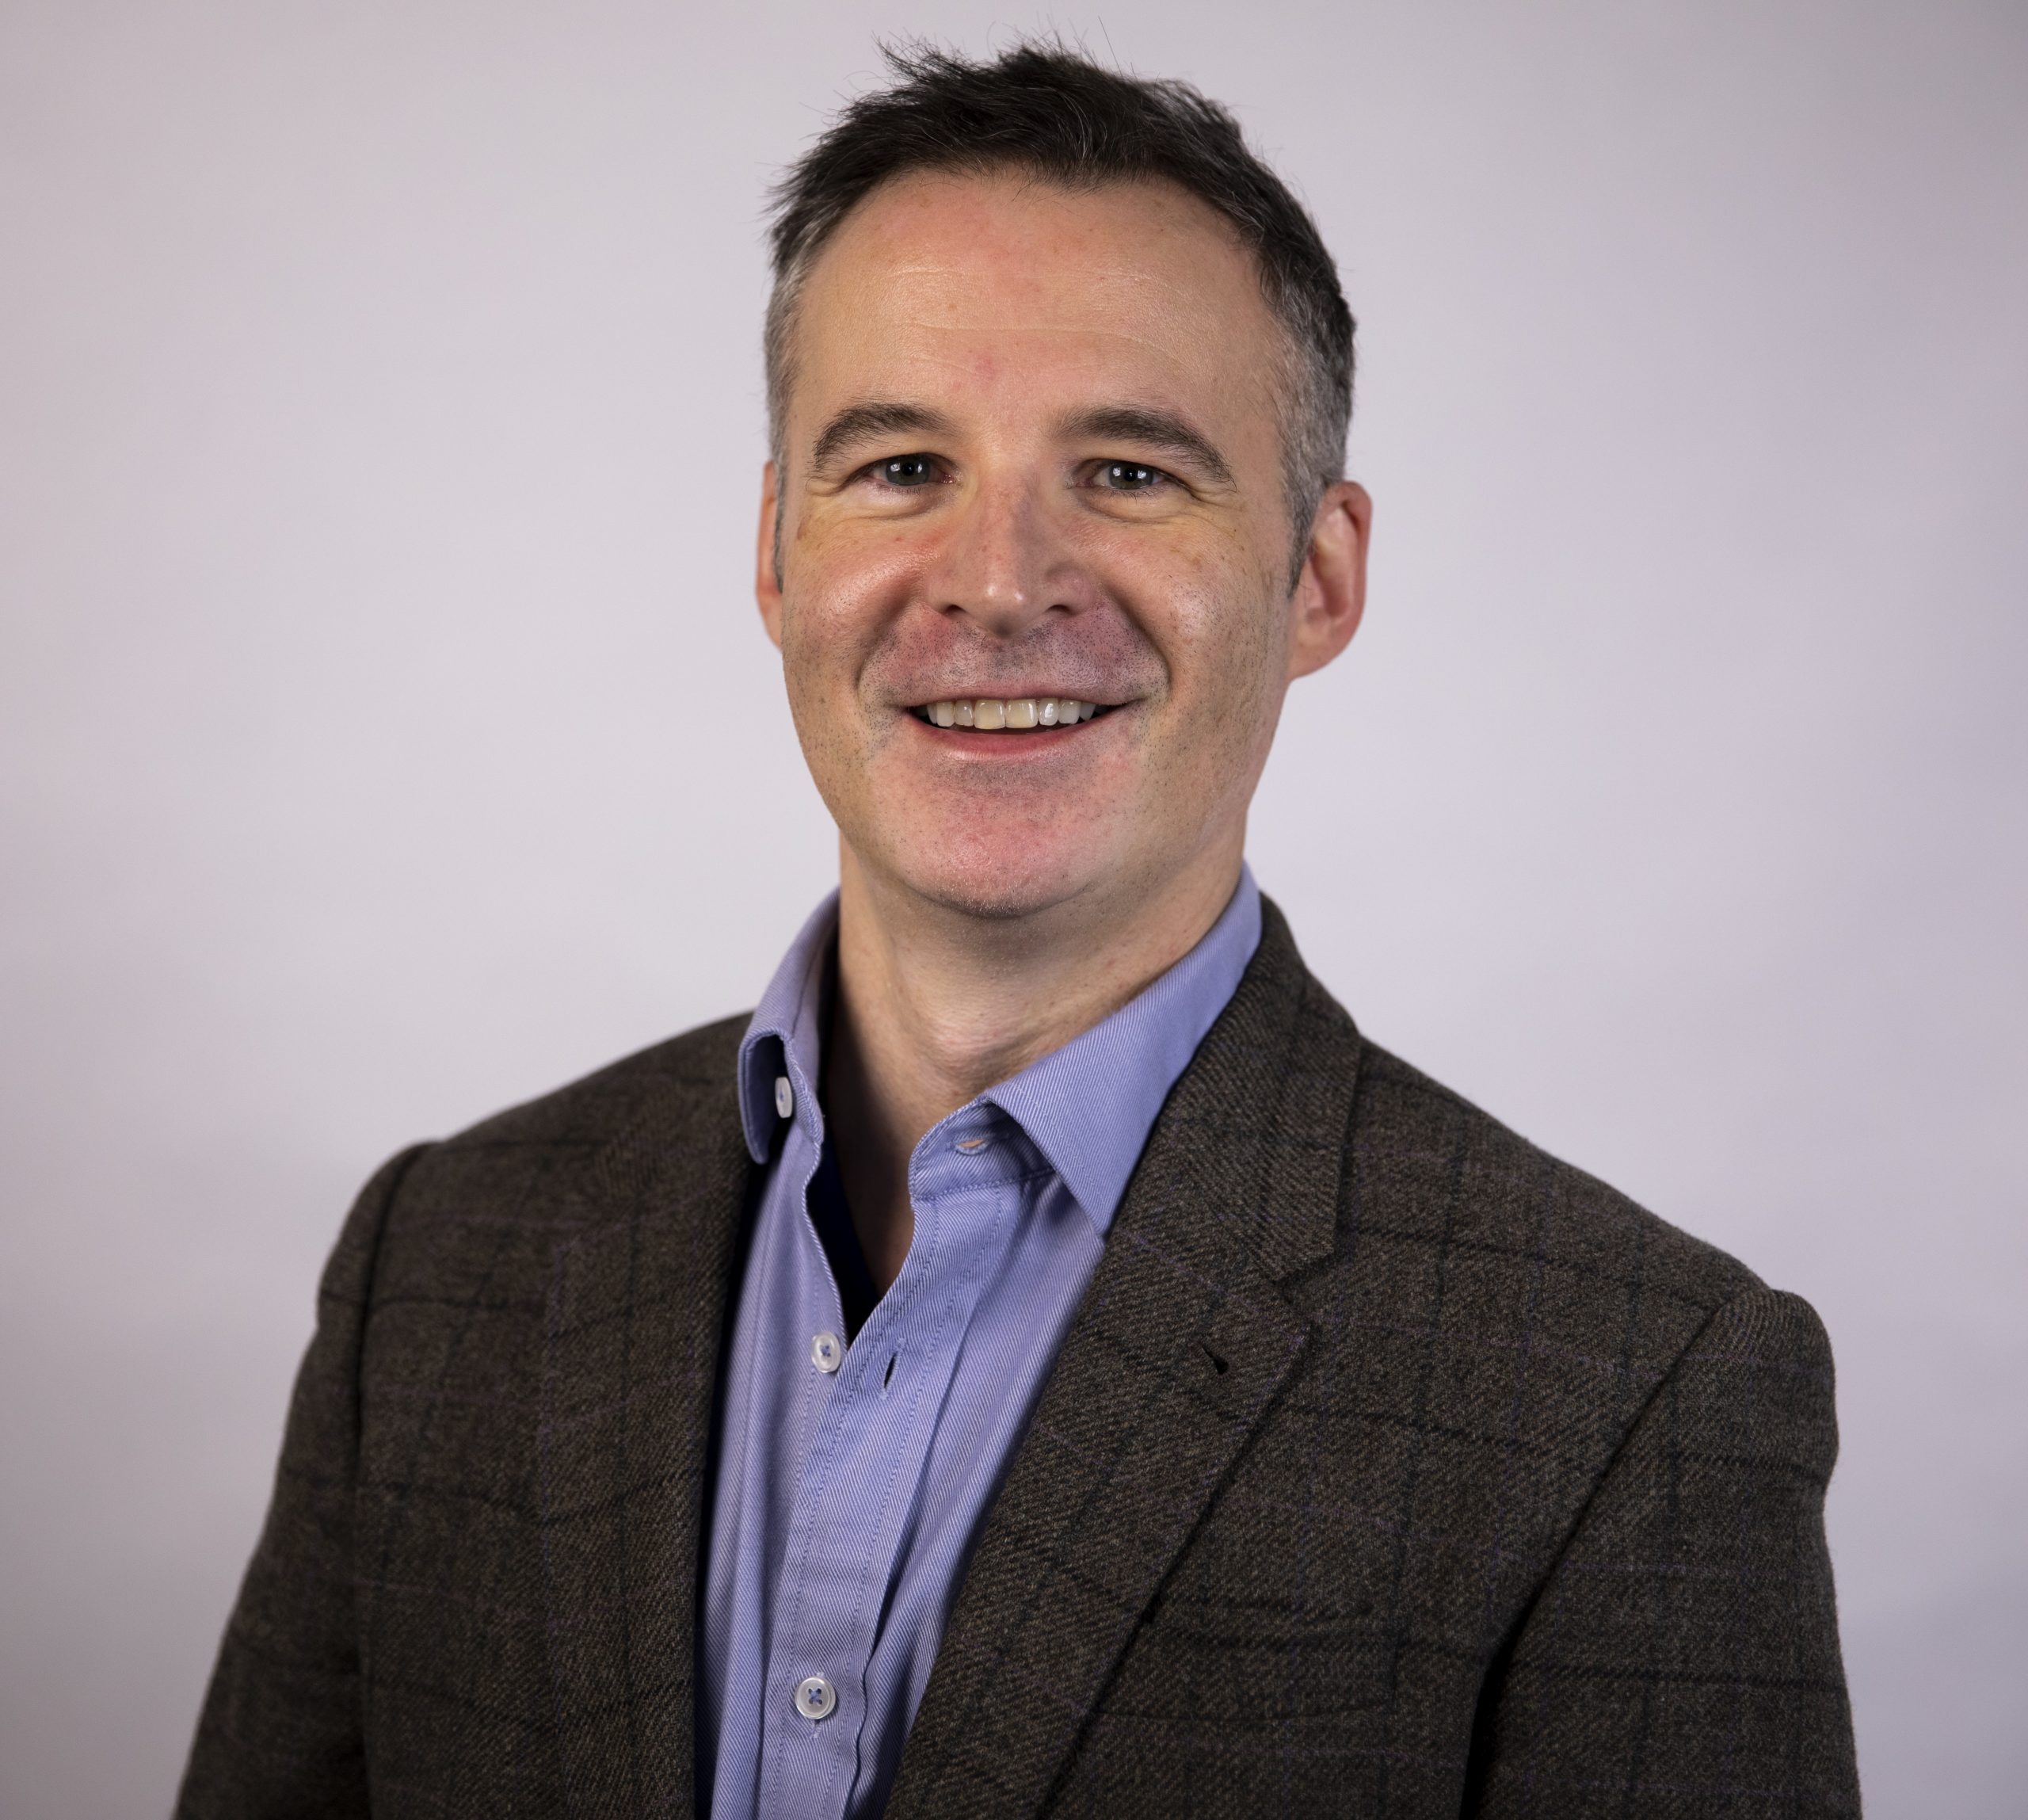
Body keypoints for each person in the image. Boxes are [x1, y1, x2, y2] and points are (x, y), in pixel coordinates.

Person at [176, 41, 1860, 1820]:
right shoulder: (439, 1263)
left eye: (1127, 473)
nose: (997, 581)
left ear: (1318, 576)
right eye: (901, 464)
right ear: (777, 552)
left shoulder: (1636, 1396)